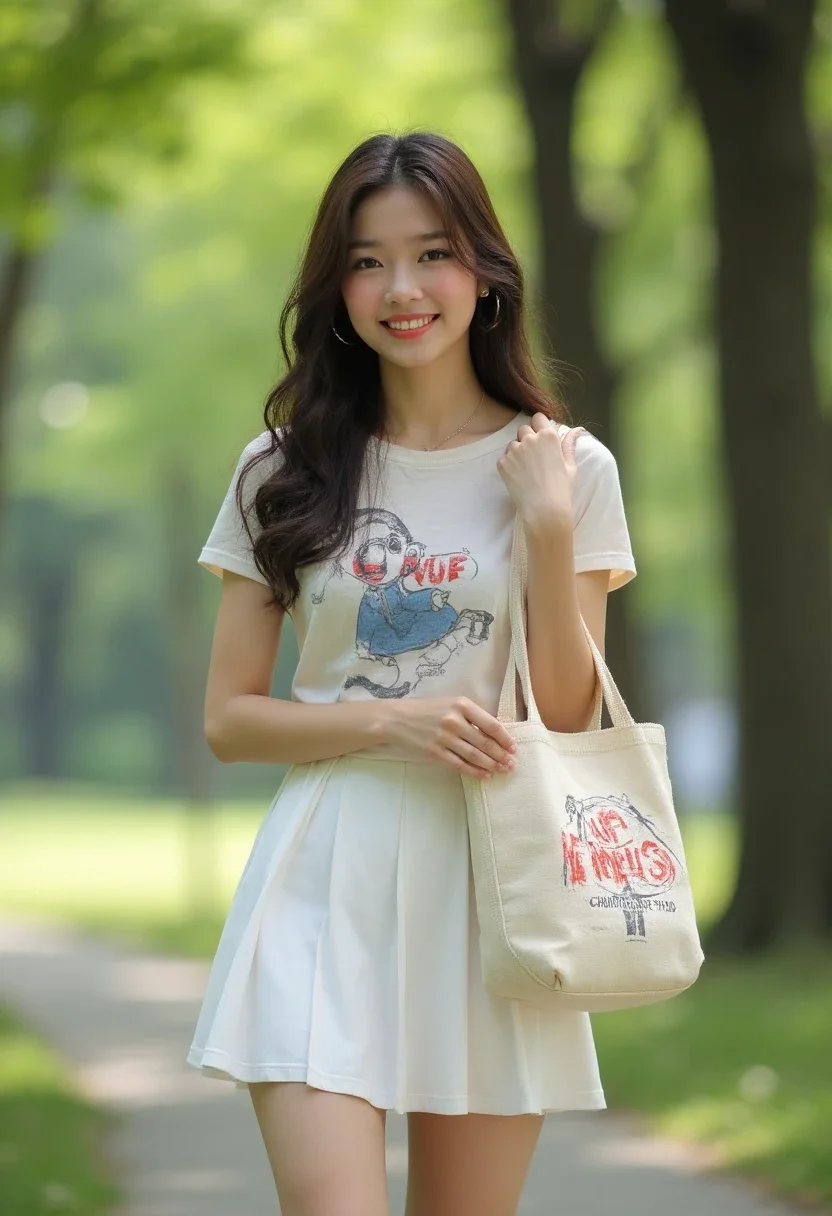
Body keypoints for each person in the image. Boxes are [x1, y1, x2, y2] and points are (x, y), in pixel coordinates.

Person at [187, 130, 637, 1216]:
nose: (401, 289)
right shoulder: (281, 469)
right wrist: (389, 724)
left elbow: (567, 714)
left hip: (496, 889)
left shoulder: (568, 466)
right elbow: (230, 720)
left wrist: (545, 529)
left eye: (431, 253)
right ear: (335, 288)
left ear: (483, 271)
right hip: (323, 878)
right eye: (367, 261)